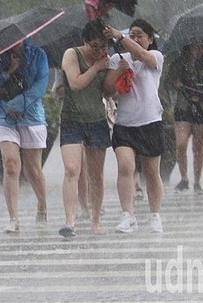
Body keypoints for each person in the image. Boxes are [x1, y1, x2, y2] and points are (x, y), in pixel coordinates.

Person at [103, 19, 165, 233]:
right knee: (126, 167)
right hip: (124, 124)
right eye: (133, 34)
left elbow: (142, 56)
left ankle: (155, 214)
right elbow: (108, 91)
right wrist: (119, 71)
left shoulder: (155, 57)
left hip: (150, 122)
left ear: (150, 39)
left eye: (140, 35)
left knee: (151, 172)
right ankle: (127, 215)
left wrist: (121, 37)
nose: (136, 38)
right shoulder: (117, 59)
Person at [0, 38, 49, 233]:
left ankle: (42, 205)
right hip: (4, 117)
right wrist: (8, 71)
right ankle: (13, 218)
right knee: (11, 165)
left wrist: (19, 104)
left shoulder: (38, 55)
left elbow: (40, 86)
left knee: (33, 170)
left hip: (31, 116)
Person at [58, 21, 110, 238]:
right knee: (72, 169)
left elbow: (108, 91)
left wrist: (117, 73)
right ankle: (70, 221)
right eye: (95, 46)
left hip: (96, 119)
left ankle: (96, 220)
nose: (99, 51)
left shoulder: (107, 59)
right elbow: (75, 83)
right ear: (85, 42)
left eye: (103, 47)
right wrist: (97, 67)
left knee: (96, 175)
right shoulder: (72, 55)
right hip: (72, 118)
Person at [169, 39, 203, 195]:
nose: (197, 49)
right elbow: (170, 81)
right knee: (181, 144)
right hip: (183, 107)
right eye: (194, 46)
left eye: (199, 46)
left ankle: (197, 182)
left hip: (200, 108)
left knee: (197, 148)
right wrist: (176, 84)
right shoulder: (178, 63)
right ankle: (184, 178)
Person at [52, 69, 90, 219]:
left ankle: (92, 202)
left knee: (91, 166)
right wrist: (77, 83)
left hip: (95, 116)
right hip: (71, 117)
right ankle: (77, 210)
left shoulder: (100, 57)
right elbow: (58, 91)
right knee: (74, 167)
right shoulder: (64, 62)